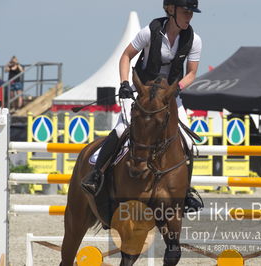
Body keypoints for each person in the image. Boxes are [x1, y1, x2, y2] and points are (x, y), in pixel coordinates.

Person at [81, 0, 203, 211]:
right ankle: (96, 175)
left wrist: (178, 87)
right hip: (143, 92)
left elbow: (192, 73)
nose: (189, 16)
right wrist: (125, 83)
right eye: (186, 12)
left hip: (170, 97)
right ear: (171, 10)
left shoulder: (194, 39)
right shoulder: (149, 32)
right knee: (121, 130)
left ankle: (185, 193)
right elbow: (126, 56)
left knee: (188, 144)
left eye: (191, 13)